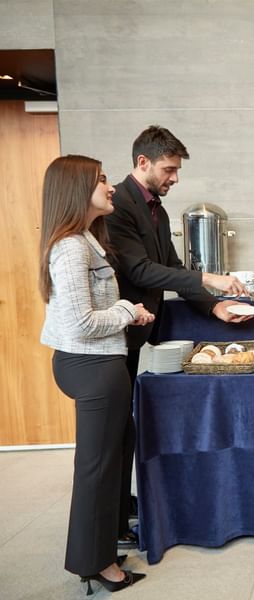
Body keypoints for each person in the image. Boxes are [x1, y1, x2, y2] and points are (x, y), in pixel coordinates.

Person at [105, 125, 253, 549]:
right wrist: (211, 278)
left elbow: (171, 267)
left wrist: (213, 305)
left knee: (125, 429)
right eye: (169, 169)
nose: (175, 178)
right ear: (143, 163)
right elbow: (141, 271)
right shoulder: (119, 207)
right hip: (117, 334)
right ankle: (114, 523)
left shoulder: (157, 208)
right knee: (116, 431)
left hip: (136, 334)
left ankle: (121, 509)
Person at [39, 155, 152, 593]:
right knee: (97, 469)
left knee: (109, 462)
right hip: (91, 366)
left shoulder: (87, 239)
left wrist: (126, 313)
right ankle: (96, 563)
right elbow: (81, 322)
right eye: (101, 179)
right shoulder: (70, 246)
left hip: (99, 364)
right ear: (75, 189)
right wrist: (127, 310)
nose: (110, 186)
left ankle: (103, 549)